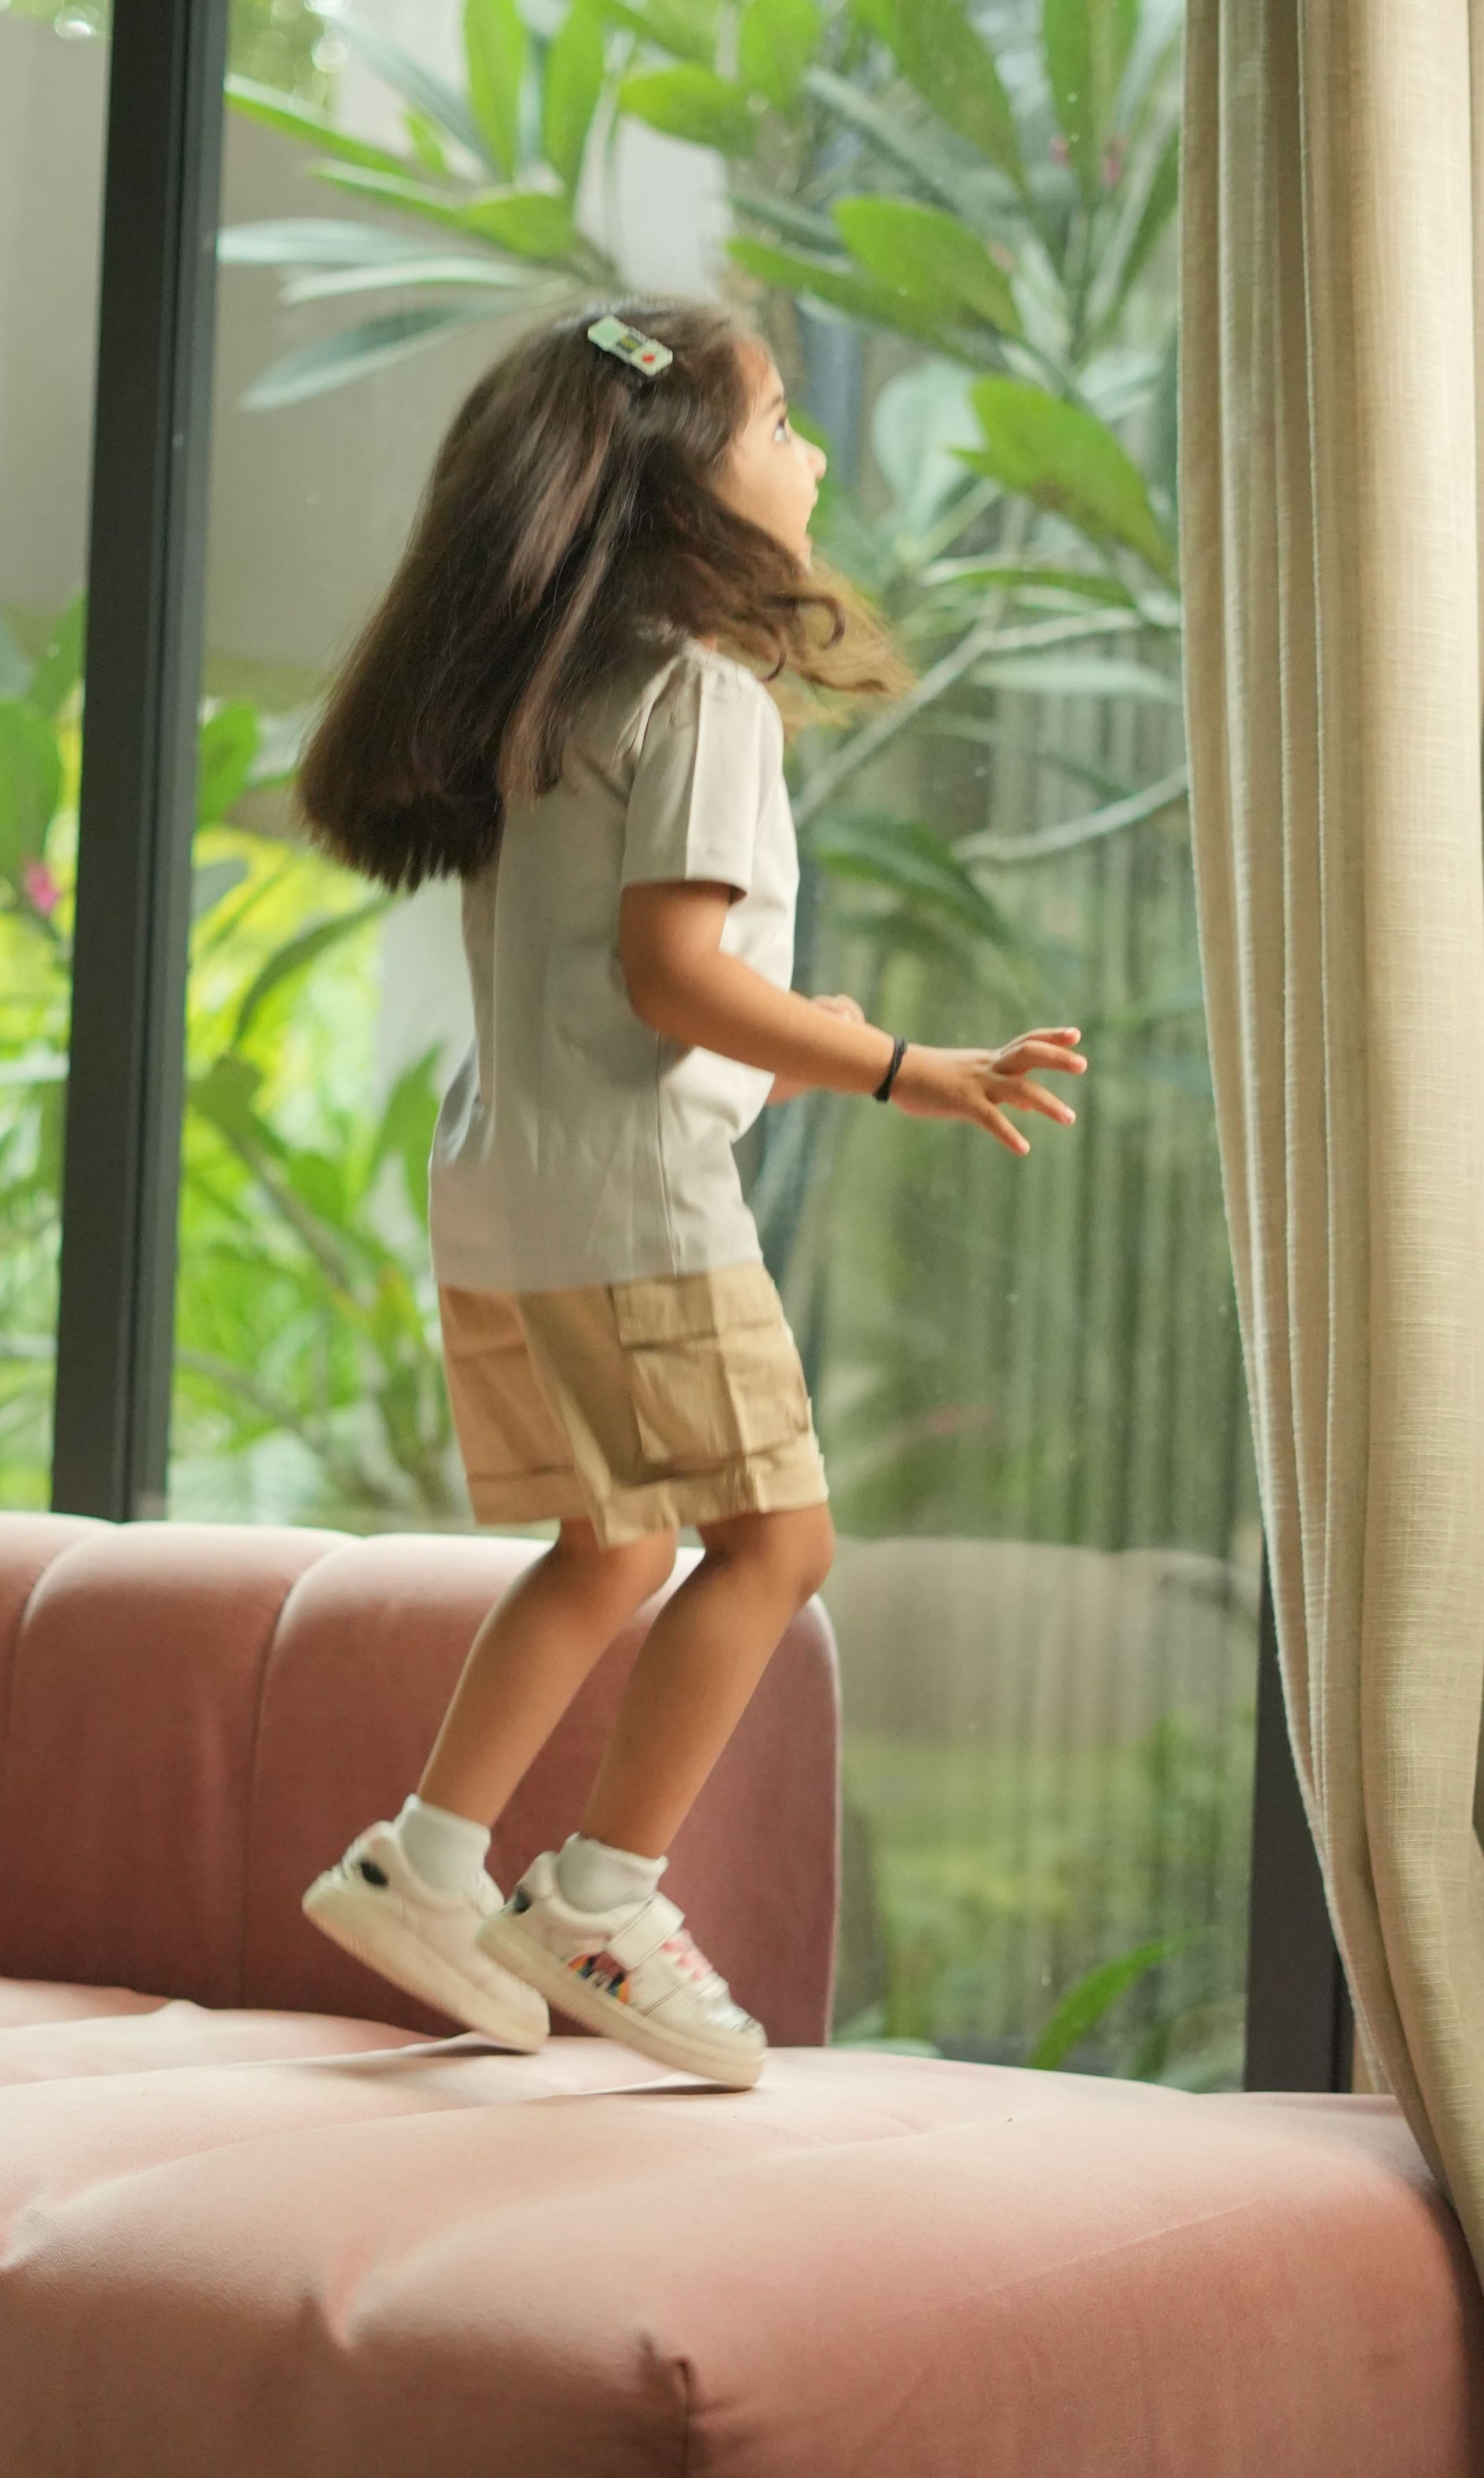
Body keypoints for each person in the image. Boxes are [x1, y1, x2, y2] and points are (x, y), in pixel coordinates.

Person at [293, 299, 1086, 2092]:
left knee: (612, 1547)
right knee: (777, 1546)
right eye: (780, 424)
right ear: (680, 486)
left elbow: (608, 992)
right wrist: (899, 1063)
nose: (812, 454)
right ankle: (599, 1897)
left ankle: (427, 1860)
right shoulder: (702, 694)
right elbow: (672, 976)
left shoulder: (554, 700)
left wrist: (804, 1039)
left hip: (513, 1193)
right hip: (639, 1207)